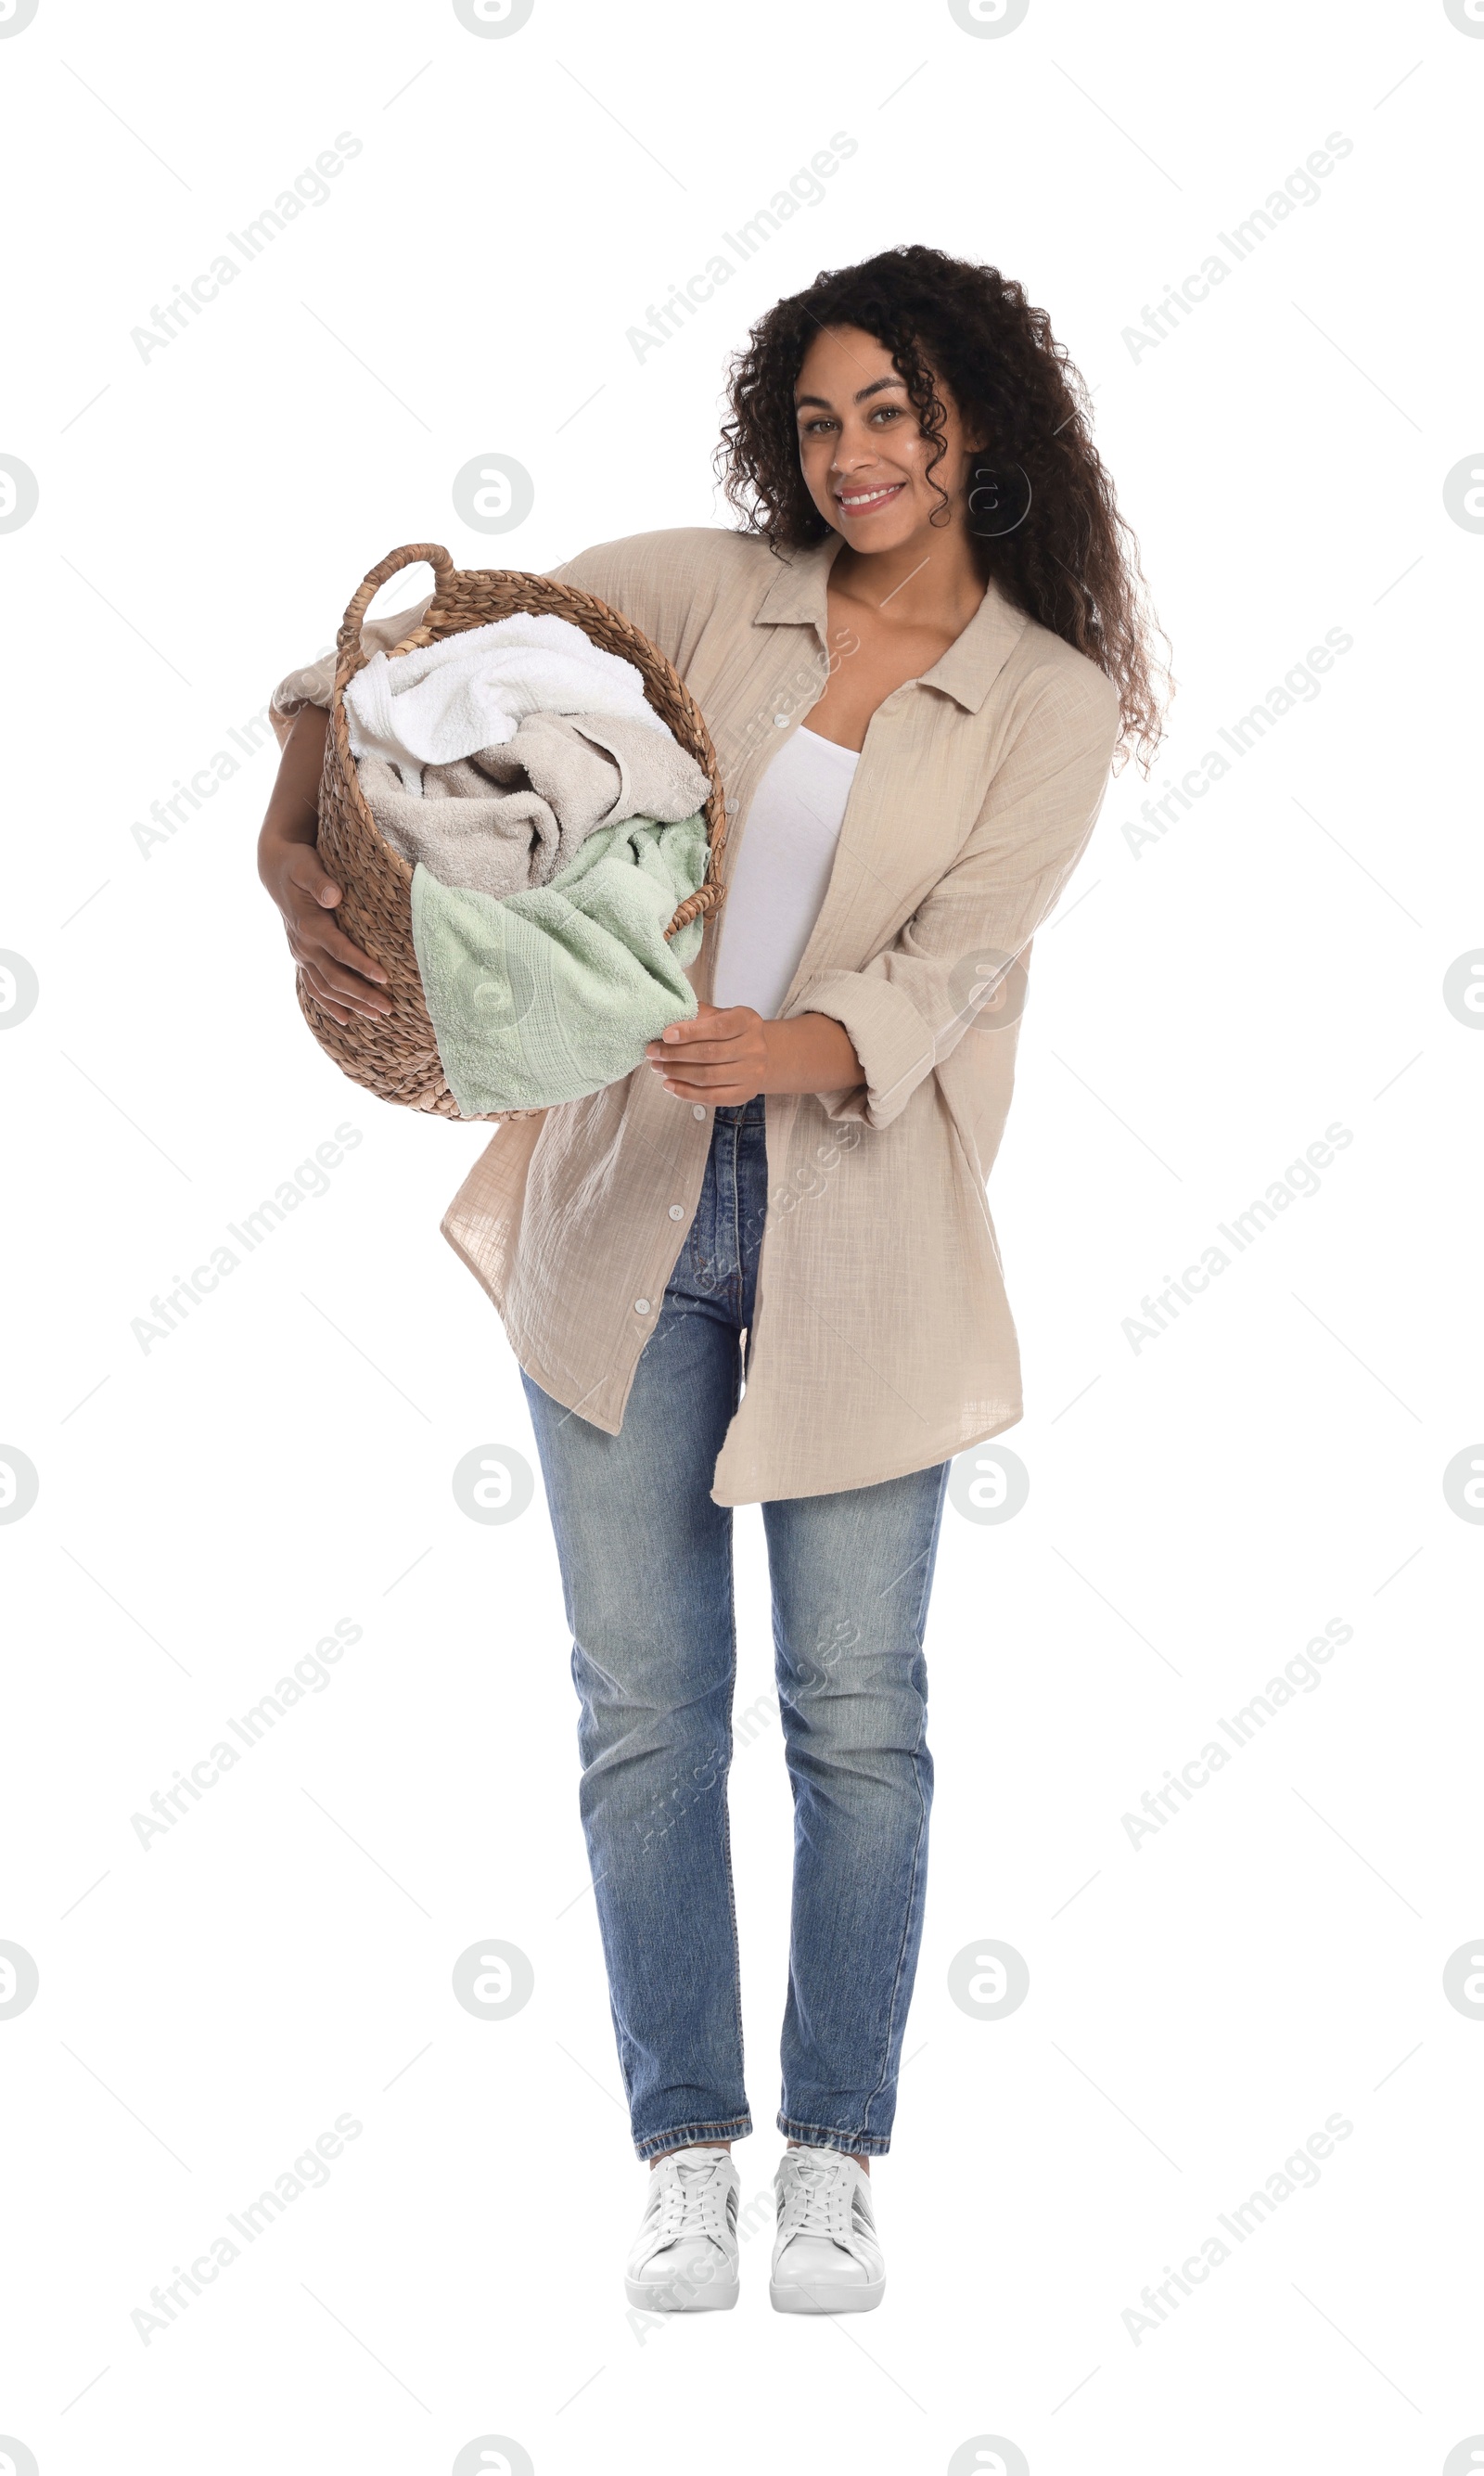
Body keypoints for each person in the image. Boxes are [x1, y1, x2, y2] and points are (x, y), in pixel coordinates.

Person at [258, 243, 1165, 2316]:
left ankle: (834, 2152)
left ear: (976, 427)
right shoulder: (694, 588)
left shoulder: (1044, 697)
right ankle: (686, 2148)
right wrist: (285, 822)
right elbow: (409, 658)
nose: (852, 455)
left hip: (863, 1230)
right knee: (642, 1716)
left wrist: (796, 1043)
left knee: (857, 1717)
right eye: (823, 415)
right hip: (620, 1206)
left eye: (893, 414)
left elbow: (959, 963)